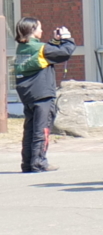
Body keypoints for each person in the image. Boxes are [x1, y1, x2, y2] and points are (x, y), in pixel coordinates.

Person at [12, 19, 77, 173]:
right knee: (42, 129)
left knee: (30, 129)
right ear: (33, 30)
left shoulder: (23, 48)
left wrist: (54, 41)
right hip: (42, 94)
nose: (42, 31)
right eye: (40, 28)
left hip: (28, 95)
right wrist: (67, 39)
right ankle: (39, 162)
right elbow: (65, 52)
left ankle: (27, 162)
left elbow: (45, 53)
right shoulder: (41, 49)